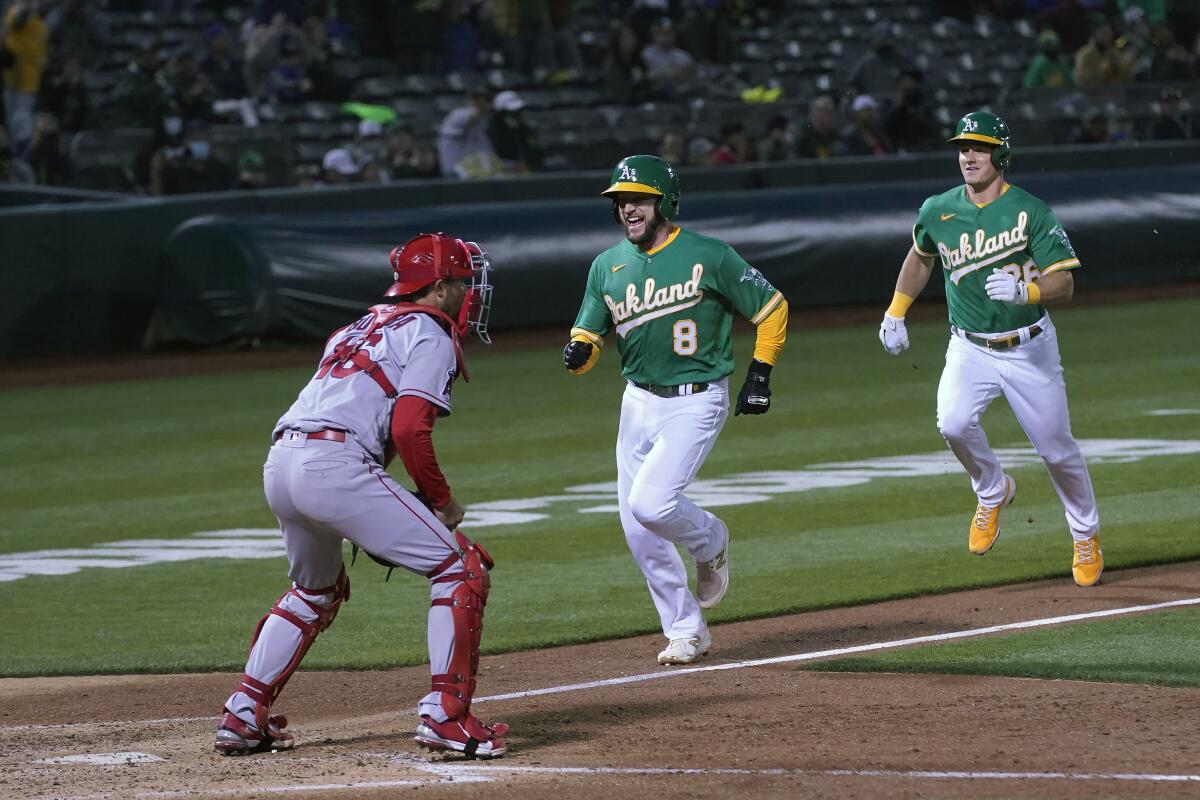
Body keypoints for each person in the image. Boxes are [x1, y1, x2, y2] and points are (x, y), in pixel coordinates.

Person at [214, 232, 508, 759]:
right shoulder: (429, 332)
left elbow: (374, 422)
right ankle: (447, 715)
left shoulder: (356, 326)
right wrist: (442, 501)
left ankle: (243, 711)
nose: (469, 293)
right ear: (439, 287)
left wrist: (375, 502)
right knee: (461, 568)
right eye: (463, 283)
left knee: (315, 591)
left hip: (281, 461)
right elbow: (410, 428)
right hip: (333, 466)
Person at [563, 155, 788, 665]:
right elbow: (589, 333)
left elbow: (772, 307)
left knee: (653, 505)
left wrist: (760, 373)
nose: (628, 209)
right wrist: (580, 351)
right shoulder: (607, 265)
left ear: (664, 201)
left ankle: (711, 539)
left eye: (639, 198)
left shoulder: (710, 255)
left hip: (696, 399)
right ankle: (686, 630)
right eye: (621, 200)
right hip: (636, 402)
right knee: (637, 530)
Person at [877, 111, 1103, 588]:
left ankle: (1085, 535)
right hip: (969, 347)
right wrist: (896, 310)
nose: (969, 157)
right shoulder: (938, 208)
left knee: (1057, 451)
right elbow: (920, 257)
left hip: (1030, 349)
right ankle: (992, 488)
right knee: (952, 423)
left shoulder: (1030, 211)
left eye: (978, 147)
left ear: (1001, 153)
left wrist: (1030, 293)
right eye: (963, 148)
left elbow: (1065, 282)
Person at [2, 0, 48, 161]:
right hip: (13, 75)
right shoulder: (17, 10)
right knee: (14, 118)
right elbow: (16, 22)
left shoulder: (41, 24)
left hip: (29, 79)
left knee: (21, 117)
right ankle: (13, 159)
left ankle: (21, 156)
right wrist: (26, 9)